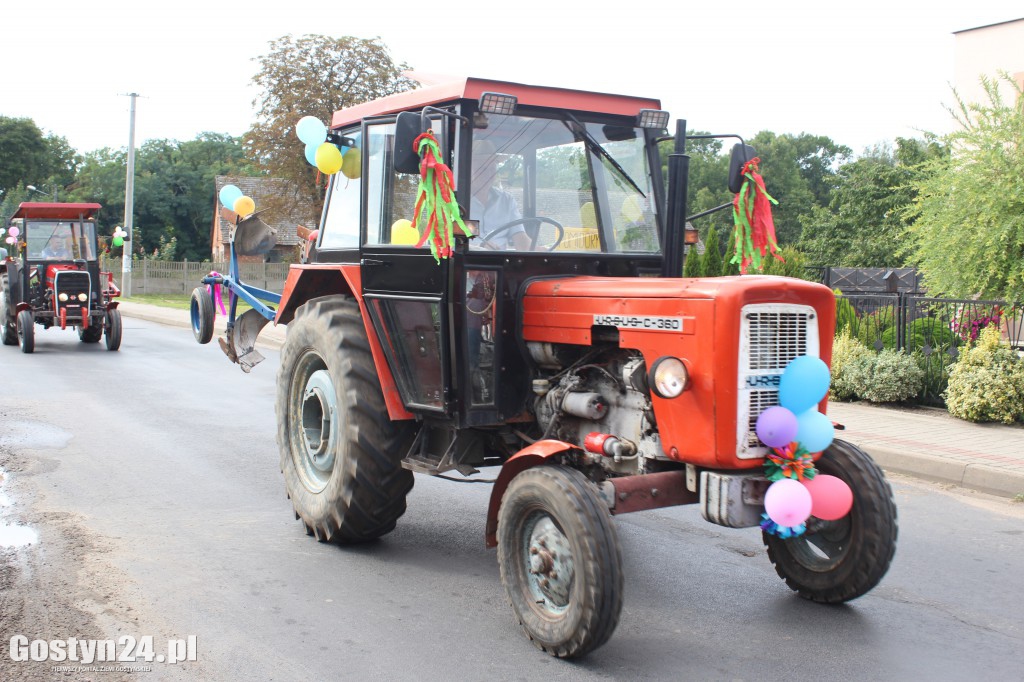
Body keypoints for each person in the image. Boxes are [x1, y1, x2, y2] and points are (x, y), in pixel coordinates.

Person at [469, 139, 531, 250]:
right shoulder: (455, 202)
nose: (487, 173)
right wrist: (478, 248)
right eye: (482, 168)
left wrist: (538, 249)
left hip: (501, 264)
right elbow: (447, 244)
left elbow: (520, 237)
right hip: (465, 263)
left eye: (492, 168)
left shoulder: (506, 201)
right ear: (469, 169)